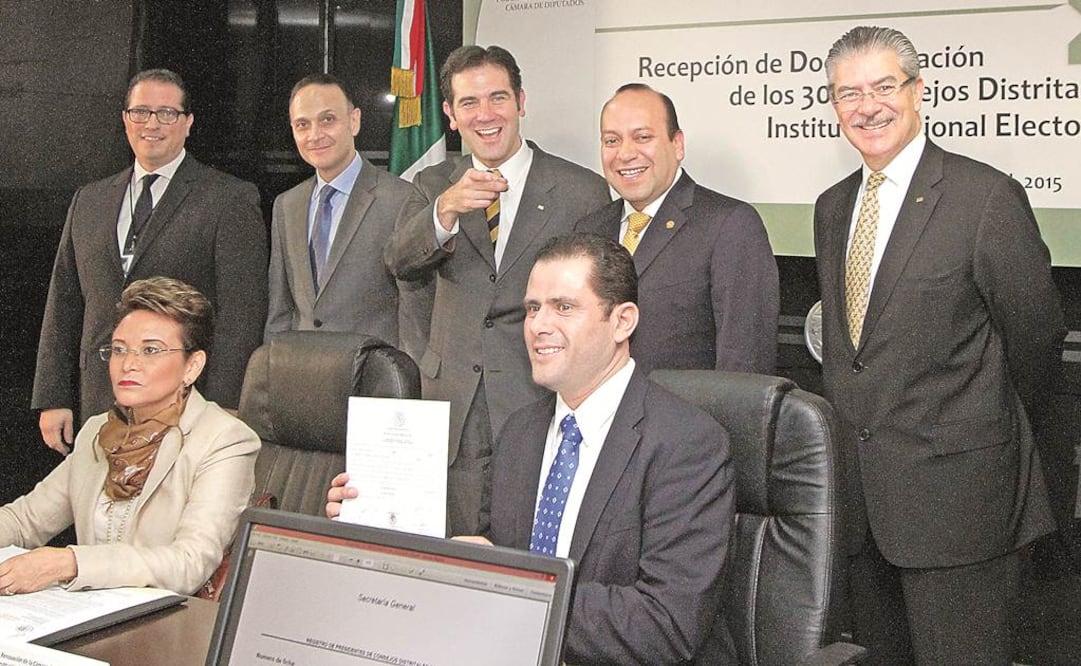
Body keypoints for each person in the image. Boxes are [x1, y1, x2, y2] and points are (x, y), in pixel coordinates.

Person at [331, 234, 735, 663]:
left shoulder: (687, 444)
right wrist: (379, 521)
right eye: (532, 308)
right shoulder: (521, 432)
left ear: (622, 321)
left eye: (564, 307)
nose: (539, 325)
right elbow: (488, 554)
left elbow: (666, 623)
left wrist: (515, 584)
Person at [814, 26, 1064, 664]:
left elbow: (1036, 340)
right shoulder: (832, 207)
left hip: (962, 508)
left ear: (919, 90)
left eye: (883, 87)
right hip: (862, 511)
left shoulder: (984, 198)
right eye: (848, 94)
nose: (867, 107)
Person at [384, 45, 610, 536]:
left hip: (540, 397)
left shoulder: (581, 190)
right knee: (456, 545)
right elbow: (399, 261)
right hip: (452, 404)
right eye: (469, 103)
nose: (485, 115)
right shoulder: (432, 184)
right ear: (450, 115)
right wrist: (444, 211)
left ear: (521, 102)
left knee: (529, 540)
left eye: (498, 98)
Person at [33, 68, 268, 455]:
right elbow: (64, 301)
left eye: (167, 113)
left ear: (188, 123)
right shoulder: (89, 200)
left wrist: (226, 405)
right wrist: (53, 396)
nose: (152, 124)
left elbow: (242, 311)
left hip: (185, 406)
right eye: (140, 112)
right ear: (125, 119)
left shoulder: (229, 199)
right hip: (97, 401)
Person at [1, 277, 259, 595]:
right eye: (119, 349)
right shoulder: (98, 430)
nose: (128, 364)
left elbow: (190, 563)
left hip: (170, 618)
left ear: (192, 366)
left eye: (150, 350)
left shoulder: (225, 440)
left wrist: (71, 563)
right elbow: (25, 521)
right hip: (88, 611)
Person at [575, 83, 779, 374]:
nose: (625, 153)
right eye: (611, 140)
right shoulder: (589, 231)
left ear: (677, 144)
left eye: (642, 137)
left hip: (684, 406)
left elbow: (744, 365)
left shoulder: (730, 225)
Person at [265, 74, 411, 344]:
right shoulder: (286, 205)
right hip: (302, 365)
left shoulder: (401, 199)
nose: (314, 135)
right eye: (302, 125)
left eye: (327, 120)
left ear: (354, 121)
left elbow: (415, 312)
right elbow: (280, 311)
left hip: (374, 366)